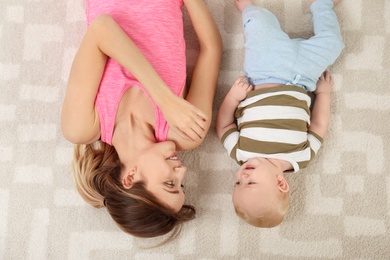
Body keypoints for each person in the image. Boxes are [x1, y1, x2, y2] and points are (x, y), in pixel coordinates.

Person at [61, 0, 222, 240]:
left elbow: (102, 28)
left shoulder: (81, 127)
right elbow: (211, 49)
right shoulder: (187, 132)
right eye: (182, 184)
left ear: (130, 178)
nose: (182, 171)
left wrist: (166, 100)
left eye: (170, 183)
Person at [216, 0, 344, 228]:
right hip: (305, 77)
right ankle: (322, 5)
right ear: (281, 183)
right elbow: (319, 124)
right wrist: (324, 94)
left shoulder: (241, 152)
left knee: (260, 24)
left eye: (236, 184)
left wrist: (233, 97)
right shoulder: (301, 158)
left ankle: (247, 7)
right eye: (250, 184)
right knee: (334, 44)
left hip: (264, 71)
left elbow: (224, 126)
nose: (241, 177)